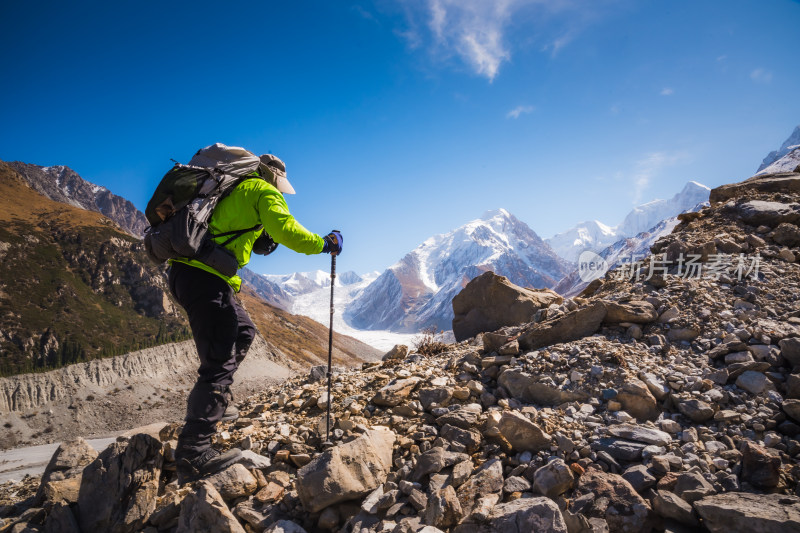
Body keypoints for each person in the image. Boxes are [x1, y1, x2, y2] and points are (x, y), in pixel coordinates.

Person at [167, 150, 342, 485]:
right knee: (218, 361)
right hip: (206, 279)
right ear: (271, 177)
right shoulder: (262, 191)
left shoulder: (229, 190)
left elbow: (231, 229)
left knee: (242, 331)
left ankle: (217, 400)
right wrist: (325, 244)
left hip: (188, 275)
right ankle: (193, 452)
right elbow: (289, 231)